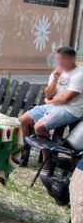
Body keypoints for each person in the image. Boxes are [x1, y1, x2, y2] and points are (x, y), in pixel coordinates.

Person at [19, 46, 83, 176]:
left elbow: (66, 99)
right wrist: (54, 79)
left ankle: (47, 165)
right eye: (58, 59)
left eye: (62, 59)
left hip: (71, 110)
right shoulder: (57, 73)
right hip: (53, 106)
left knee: (39, 127)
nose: (59, 62)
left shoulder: (79, 75)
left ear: (72, 59)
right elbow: (48, 94)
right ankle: (23, 155)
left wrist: (49, 101)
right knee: (22, 120)